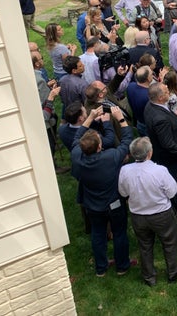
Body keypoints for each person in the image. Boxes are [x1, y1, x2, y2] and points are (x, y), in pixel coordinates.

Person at [70, 106, 134, 277]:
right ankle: (122, 266)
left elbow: (76, 138)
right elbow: (127, 140)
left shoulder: (77, 156)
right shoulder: (111, 156)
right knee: (119, 232)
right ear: (99, 146)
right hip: (114, 203)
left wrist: (90, 117)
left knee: (97, 234)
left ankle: (101, 268)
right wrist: (120, 119)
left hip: (92, 204)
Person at [118, 136, 177, 286]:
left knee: (145, 246)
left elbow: (123, 192)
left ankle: (149, 277)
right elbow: (172, 192)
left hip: (138, 216)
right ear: (149, 153)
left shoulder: (125, 170)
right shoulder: (160, 170)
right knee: (169, 243)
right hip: (162, 215)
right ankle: (173, 272)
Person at [144, 82, 177, 219]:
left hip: (162, 153)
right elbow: (168, 144)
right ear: (160, 98)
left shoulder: (151, 105)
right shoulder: (160, 119)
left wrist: (175, 118)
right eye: (166, 91)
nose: (169, 92)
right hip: (171, 159)